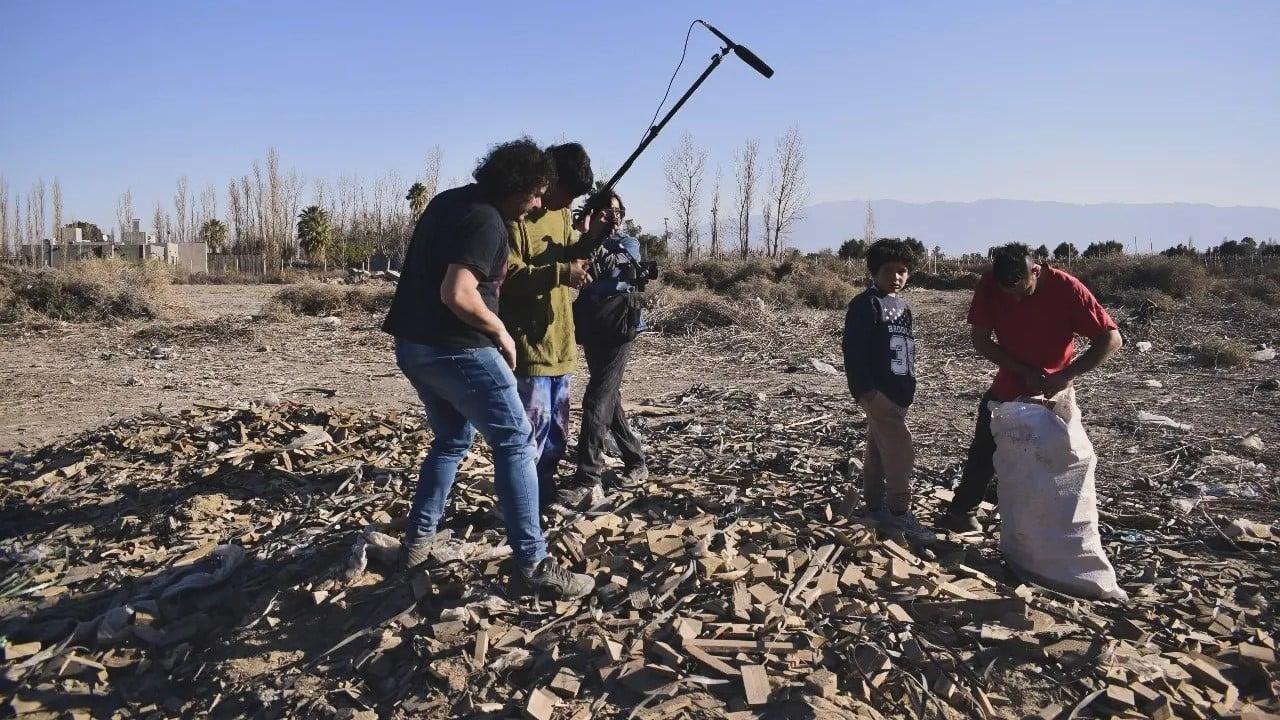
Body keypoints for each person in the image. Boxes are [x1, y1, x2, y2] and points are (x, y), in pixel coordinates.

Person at [381, 138, 594, 599]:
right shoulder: (488, 221)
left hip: (413, 347)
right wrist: (499, 329)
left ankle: (417, 543)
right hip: (456, 347)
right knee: (516, 439)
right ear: (516, 187)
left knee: (453, 439)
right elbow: (456, 292)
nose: (539, 203)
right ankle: (533, 564)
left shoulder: (449, 202)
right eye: (536, 193)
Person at [939, 242, 1122, 533]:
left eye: (1023, 291)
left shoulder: (1067, 289)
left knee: (1054, 459)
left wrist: (1066, 375)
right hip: (1009, 387)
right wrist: (1022, 371)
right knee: (984, 450)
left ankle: (1050, 524)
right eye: (1007, 293)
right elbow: (981, 339)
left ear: (1036, 271)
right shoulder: (989, 285)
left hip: (1052, 395)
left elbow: (1111, 339)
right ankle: (963, 511)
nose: (1015, 299)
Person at [499, 142, 602, 510]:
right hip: (530, 349)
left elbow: (568, 250)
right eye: (564, 193)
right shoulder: (517, 216)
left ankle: (542, 494)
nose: (564, 202)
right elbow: (508, 276)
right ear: (546, 180)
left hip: (561, 345)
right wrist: (562, 272)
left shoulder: (562, 214)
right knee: (530, 436)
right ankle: (518, 506)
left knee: (557, 434)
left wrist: (591, 238)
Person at [842, 238, 936, 544]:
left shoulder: (903, 307)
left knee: (879, 452)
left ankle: (875, 507)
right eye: (889, 270)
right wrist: (866, 392)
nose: (896, 276)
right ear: (874, 271)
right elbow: (854, 352)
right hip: (878, 394)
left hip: (898, 393)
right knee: (900, 452)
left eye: (902, 270)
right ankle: (898, 513)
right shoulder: (866, 304)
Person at [572, 190, 649, 490]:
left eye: (617, 213)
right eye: (606, 213)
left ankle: (588, 475)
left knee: (596, 399)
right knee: (609, 397)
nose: (612, 218)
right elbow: (576, 265)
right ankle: (636, 461)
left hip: (619, 325)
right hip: (593, 324)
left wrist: (594, 237)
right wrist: (586, 235)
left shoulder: (629, 243)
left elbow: (608, 268)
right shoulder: (582, 243)